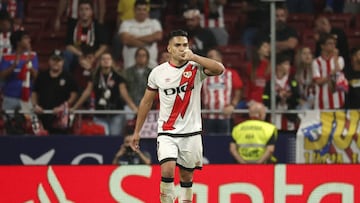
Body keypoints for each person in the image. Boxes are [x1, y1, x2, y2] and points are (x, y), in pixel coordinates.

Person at [130, 29, 224, 202]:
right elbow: (146, 102)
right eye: (178, 45)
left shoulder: (196, 69)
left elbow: (220, 69)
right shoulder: (158, 73)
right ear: (169, 49)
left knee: (187, 177)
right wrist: (137, 131)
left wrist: (195, 57)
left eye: (185, 45)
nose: (182, 48)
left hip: (191, 132)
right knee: (167, 169)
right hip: (167, 131)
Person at [72, 52, 138, 136]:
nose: (106, 61)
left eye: (108, 59)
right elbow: (87, 93)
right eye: (103, 59)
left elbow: (124, 94)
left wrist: (134, 108)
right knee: (102, 139)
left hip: (116, 114)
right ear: (99, 62)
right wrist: (75, 107)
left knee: (115, 139)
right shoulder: (95, 77)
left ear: (112, 62)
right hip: (100, 114)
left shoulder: (118, 77)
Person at [32, 49, 78, 134]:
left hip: (60, 117)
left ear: (63, 62)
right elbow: (34, 92)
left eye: (58, 60)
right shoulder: (42, 76)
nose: (56, 63)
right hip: (43, 115)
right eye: (54, 60)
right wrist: (35, 105)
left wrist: (64, 106)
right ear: (49, 61)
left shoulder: (68, 77)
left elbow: (74, 94)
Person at [202, 48, 243, 136]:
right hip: (208, 115)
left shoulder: (231, 74)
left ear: (219, 58)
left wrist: (232, 105)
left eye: (211, 56)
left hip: (225, 115)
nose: (208, 59)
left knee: (224, 142)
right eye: (208, 57)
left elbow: (238, 90)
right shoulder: (203, 75)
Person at [64, 0, 108, 72]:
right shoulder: (72, 26)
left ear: (91, 12)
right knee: (66, 54)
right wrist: (81, 54)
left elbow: (104, 46)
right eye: (81, 9)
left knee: (104, 57)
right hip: (77, 54)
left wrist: (94, 56)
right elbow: (68, 46)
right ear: (78, 12)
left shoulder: (98, 26)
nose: (84, 12)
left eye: (87, 9)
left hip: (93, 55)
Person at [0, 30, 38, 111]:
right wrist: (14, 66)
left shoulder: (33, 56)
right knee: (7, 122)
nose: (29, 40)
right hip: (9, 96)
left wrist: (29, 65)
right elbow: (1, 76)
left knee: (27, 123)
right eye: (25, 38)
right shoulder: (7, 57)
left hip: (27, 97)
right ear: (18, 42)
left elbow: (36, 76)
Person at [119, 0, 163, 69]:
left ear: (147, 11)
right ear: (134, 10)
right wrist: (148, 42)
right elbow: (125, 40)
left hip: (151, 65)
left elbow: (158, 36)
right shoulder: (126, 23)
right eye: (139, 9)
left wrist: (135, 38)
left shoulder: (154, 22)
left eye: (144, 9)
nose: (142, 12)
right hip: (130, 65)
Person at [312, 33, 345, 109]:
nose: (333, 45)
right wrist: (331, 74)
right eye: (330, 43)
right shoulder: (316, 62)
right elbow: (318, 81)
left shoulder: (340, 59)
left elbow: (338, 72)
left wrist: (335, 58)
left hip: (338, 102)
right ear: (322, 46)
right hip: (322, 103)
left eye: (334, 43)